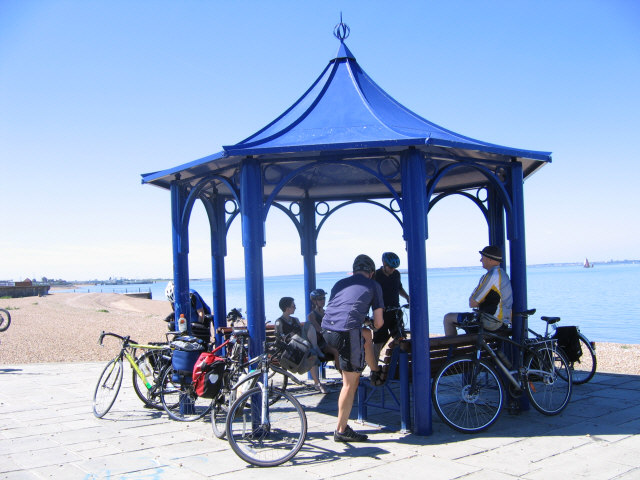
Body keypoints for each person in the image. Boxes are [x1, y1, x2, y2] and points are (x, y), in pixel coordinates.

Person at [322, 254, 384, 443]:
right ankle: (341, 430)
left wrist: (365, 323)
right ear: (371, 273)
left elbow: (337, 309)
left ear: (354, 270)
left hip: (326, 332)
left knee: (365, 335)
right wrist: (372, 323)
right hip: (346, 333)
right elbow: (379, 323)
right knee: (350, 384)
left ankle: (373, 370)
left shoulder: (340, 283)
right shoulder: (374, 285)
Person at [443, 246, 513, 337]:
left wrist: (480, 300)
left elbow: (473, 303)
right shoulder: (502, 274)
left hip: (491, 323)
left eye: (483, 258)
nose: (481, 260)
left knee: (448, 318)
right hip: (503, 323)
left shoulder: (492, 275)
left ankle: (451, 350)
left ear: (490, 259)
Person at [274, 297, 327, 392]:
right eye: (293, 306)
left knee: (308, 325)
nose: (295, 308)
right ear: (287, 308)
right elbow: (280, 339)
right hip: (291, 348)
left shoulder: (295, 320)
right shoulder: (279, 322)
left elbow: (302, 332)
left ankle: (314, 348)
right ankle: (317, 383)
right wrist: (291, 336)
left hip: (301, 344)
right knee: (312, 354)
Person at [373, 252, 410, 359]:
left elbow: (399, 288)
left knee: (400, 337)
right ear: (384, 263)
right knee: (379, 341)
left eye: (395, 268)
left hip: (395, 311)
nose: (392, 270)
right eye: (390, 267)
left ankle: (395, 363)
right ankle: (374, 367)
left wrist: (407, 297)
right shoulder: (376, 275)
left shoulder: (396, 274)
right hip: (381, 312)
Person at [306, 289, 340, 391]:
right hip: (321, 343)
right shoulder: (312, 315)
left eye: (323, 298)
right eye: (320, 299)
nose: (322, 301)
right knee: (336, 351)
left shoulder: (326, 313)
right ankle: (344, 374)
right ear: (314, 301)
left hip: (329, 340)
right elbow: (319, 329)